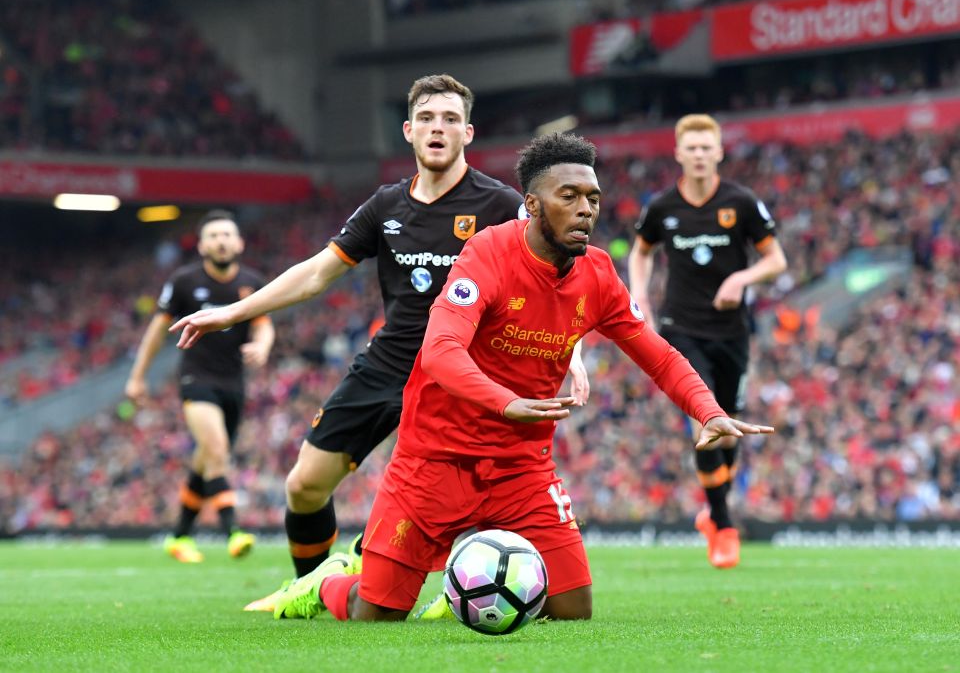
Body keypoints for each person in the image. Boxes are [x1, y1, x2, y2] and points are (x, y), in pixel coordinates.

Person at [268, 132, 774, 623]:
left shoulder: (597, 274)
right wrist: (506, 402)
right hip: (434, 462)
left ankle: (461, 588)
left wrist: (707, 410)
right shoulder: (487, 253)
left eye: (593, 198)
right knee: (374, 615)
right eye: (569, 196)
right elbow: (440, 351)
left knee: (573, 609)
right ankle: (328, 582)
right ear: (532, 204)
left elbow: (659, 356)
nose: (586, 210)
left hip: (521, 468)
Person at [168, 75, 590, 608]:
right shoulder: (386, 206)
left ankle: (461, 587)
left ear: (468, 133)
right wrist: (233, 312)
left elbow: (548, 280)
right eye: (429, 120)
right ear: (410, 132)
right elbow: (317, 273)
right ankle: (312, 586)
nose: (439, 129)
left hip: (466, 374)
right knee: (304, 486)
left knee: (464, 492)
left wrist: (571, 352)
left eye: (451, 120)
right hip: (390, 365)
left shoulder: (501, 203)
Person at [627, 114, 787, 569]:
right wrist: (640, 295)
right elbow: (641, 251)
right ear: (678, 153)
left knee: (728, 427)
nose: (698, 155)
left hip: (732, 331)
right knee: (707, 421)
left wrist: (743, 276)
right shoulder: (662, 206)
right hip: (680, 329)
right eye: (690, 148)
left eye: (705, 147)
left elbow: (777, 259)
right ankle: (723, 523)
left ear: (718, 152)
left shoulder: (741, 202)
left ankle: (713, 513)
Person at [125, 210, 275, 563]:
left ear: (239, 242)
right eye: (213, 236)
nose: (221, 241)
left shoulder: (253, 281)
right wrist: (136, 376)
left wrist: (263, 345)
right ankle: (233, 531)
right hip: (197, 379)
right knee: (216, 447)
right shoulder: (183, 281)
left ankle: (178, 537)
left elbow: (265, 325)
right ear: (202, 244)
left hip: (234, 383)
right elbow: (157, 330)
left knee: (207, 457)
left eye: (227, 235)